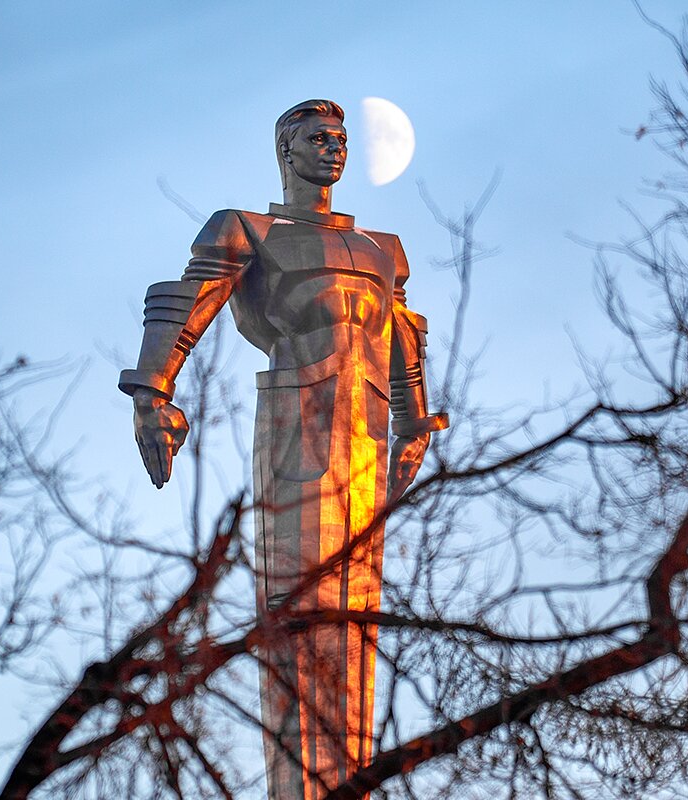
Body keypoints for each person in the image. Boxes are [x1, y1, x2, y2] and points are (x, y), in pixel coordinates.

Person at [118, 98, 446, 800]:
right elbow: (190, 298)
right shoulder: (248, 230)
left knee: (355, 612)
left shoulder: (382, 250)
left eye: (342, 139)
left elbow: (402, 334)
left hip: (366, 431)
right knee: (299, 609)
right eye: (318, 138)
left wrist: (414, 425)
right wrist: (154, 393)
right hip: (297, 415)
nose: (334, 149)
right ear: (285, 152)